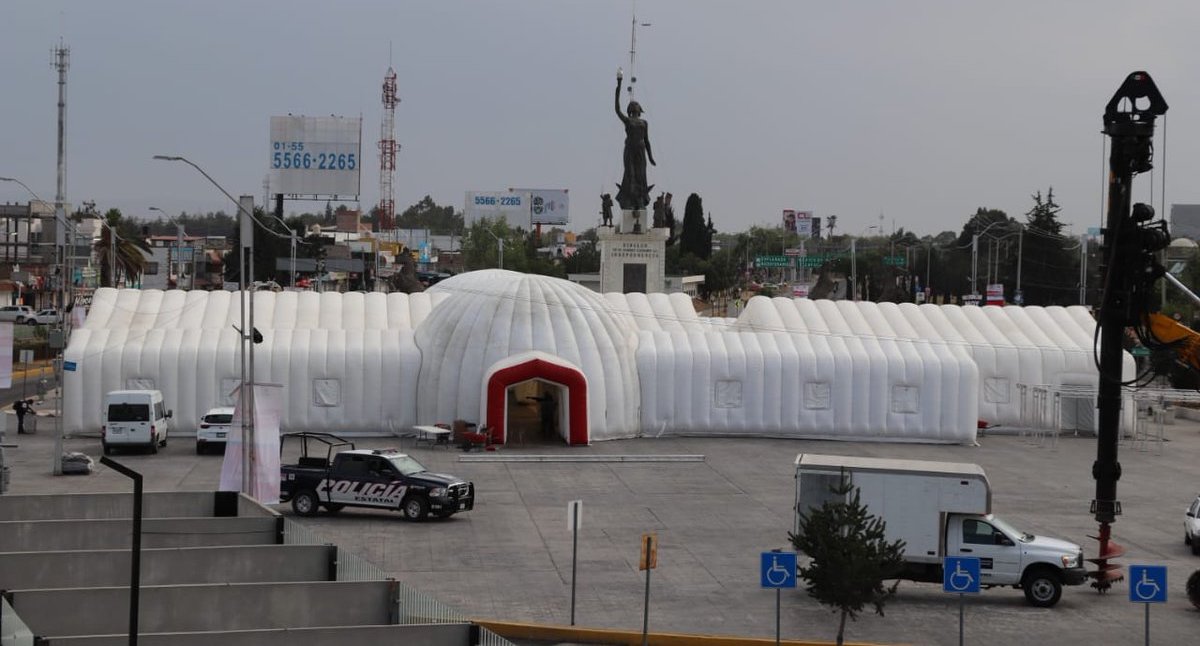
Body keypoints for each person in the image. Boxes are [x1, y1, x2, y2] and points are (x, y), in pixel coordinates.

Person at [614, 71, 655, 211]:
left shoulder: (644, 122)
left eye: (636, 104)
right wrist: (619, 85)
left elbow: (647, 141)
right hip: (630, 150)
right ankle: (629, 201)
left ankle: (640, 201)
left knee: (641, 176)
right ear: (630, 109)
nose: (635, 105)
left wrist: (651, 157)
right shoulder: (627, 120)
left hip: (641, 150)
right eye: (633, 104)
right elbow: (617, 109)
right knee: (630, 175)